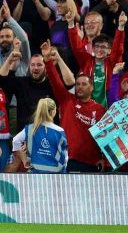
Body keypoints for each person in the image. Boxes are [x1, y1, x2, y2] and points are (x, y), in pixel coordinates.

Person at [42, 40, 106, 172]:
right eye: (78, 84)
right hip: (67, 160)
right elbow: (55, 81)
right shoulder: (67, 101)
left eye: (84, 84)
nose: (80, 87)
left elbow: (106, 137)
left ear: (92, 87)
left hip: (91, 163)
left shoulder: (100, 110)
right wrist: (47, 60)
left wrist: (104, 158)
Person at [13, 98, 68, 173]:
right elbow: (64, 158)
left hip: (36, 173)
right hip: (55, 175)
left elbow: (15, 140)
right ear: (53, 112)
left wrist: (24, 160)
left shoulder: (30, 128)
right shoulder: (59, 131)